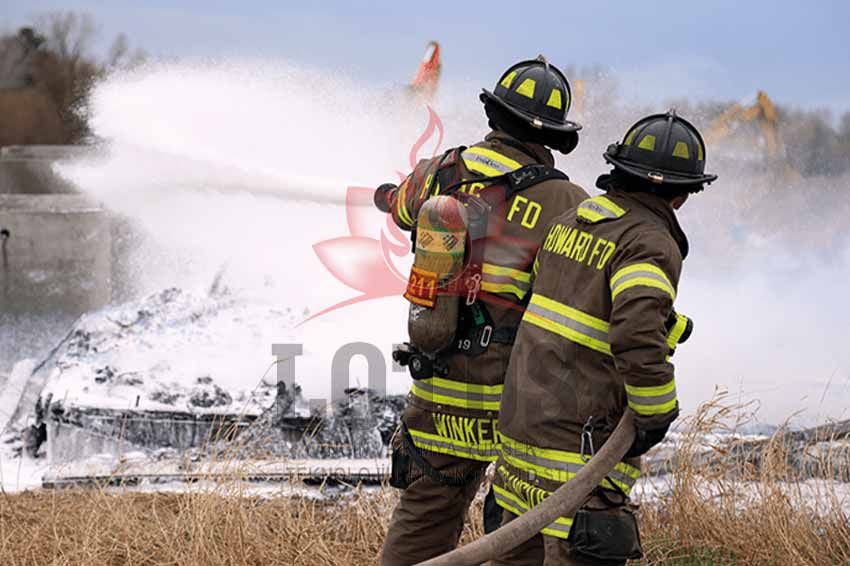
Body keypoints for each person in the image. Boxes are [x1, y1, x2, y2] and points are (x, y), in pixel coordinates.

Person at [374, 56, 589, 566]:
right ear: (554, 136)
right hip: (518, 405)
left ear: (494, 114)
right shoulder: (567, 202)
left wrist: (391, 195)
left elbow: (401, 207)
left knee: (420, 527)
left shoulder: (443, 170)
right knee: (520, 537)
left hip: (439, 393)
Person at [491, 109, 716, 565]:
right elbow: (634, 331)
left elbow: (565, 302)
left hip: (519, 441)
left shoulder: (571, 220)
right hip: (578, 455)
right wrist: (655, 414)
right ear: (682, 195)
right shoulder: (648, 242)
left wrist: (661, 321)